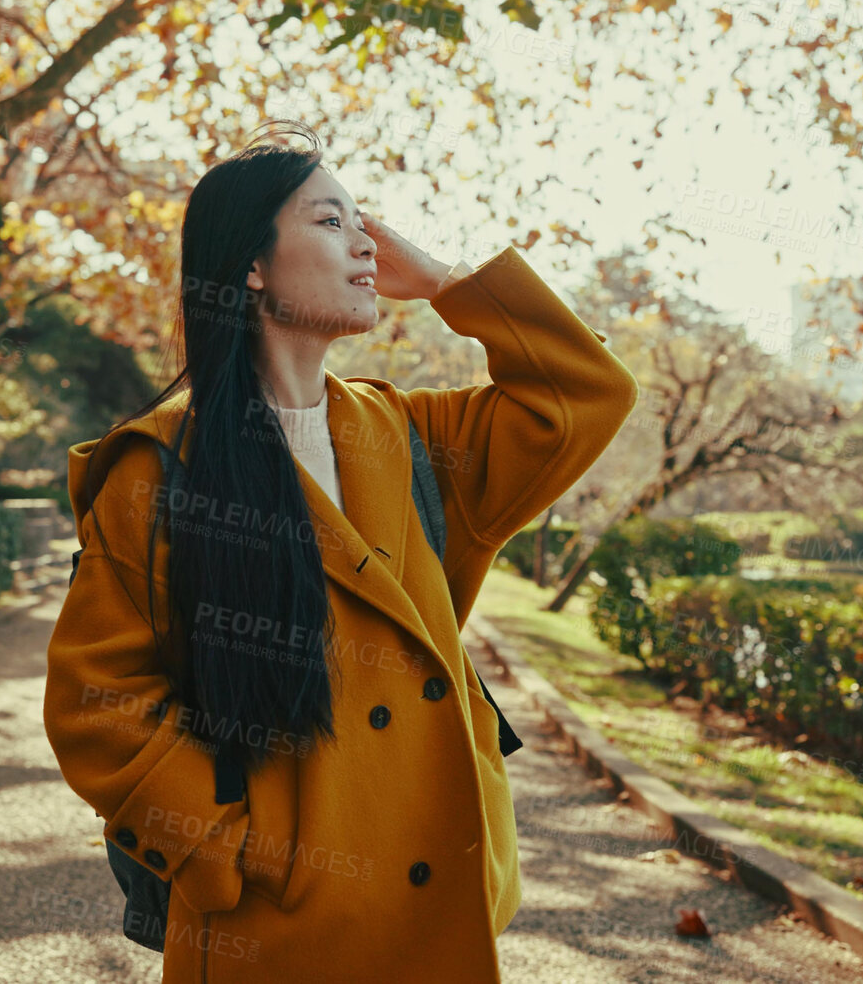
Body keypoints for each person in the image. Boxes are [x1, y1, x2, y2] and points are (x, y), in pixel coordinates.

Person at [42, 120, 639, 983]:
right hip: (274, 930)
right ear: (250, 264)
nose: (365, 244)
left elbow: (587, 395)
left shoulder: (406, 436)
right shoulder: (162, 461)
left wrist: (441, 282)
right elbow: (96, 703)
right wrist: (231, 852)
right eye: (330, 222)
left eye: (366, 224)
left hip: (436, 906)